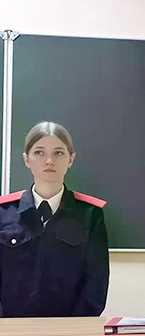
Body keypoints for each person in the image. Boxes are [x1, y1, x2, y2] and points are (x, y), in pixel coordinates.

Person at [0, 121, 109, 317]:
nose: (49, 161)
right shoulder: (3, 212)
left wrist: (73, 327)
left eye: (58, 153)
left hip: (69, 329)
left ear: (71, 159)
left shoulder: (90, 214)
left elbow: (96, 282)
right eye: (39, 152)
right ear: (26, 159)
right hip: (9, 328)